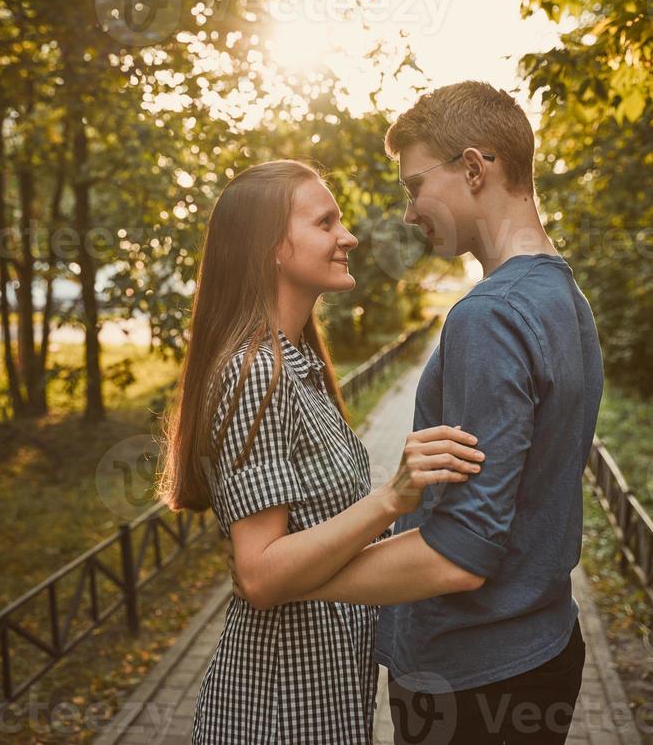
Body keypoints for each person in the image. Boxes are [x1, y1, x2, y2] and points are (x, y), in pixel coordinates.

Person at [240, 81, 602, 745]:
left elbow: (459, 557)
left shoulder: (489, 315)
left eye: (414, 186)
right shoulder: (563, 294)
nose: (408, 212)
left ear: (473, 167)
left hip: (471, 681)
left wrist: (296, 577)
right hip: (544, 647)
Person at [156, 159, 486, 745]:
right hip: (277, 712)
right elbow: (259, 575)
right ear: (272, 248)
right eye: (324, 222)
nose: (349, 236)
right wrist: (391, 499)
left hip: (325, 699)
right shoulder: (254, 372)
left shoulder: (300, 367)